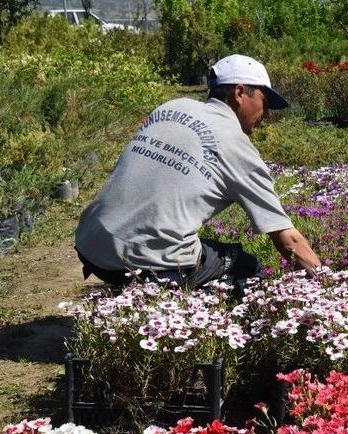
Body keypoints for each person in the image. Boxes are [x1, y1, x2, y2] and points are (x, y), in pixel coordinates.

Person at [74, 54, 321, 294]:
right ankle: (202, 322)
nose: (266, 115)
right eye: (265, 102)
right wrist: (328, 287)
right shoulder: (236, 145)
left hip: (91, 243)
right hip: (144, 263)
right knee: (245, 266)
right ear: (239, 93)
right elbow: (289, 241)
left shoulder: (171, 106)